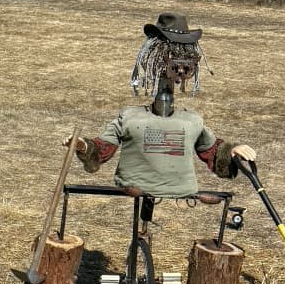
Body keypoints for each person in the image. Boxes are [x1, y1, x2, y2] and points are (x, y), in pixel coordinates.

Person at [64, 12, 256, 199]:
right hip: (134, 189)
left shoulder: (191, 121)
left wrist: (231, 151)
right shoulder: (131, 117)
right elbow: (101, 149)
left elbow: (213, 152)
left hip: (180, 192)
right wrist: (82, 146)